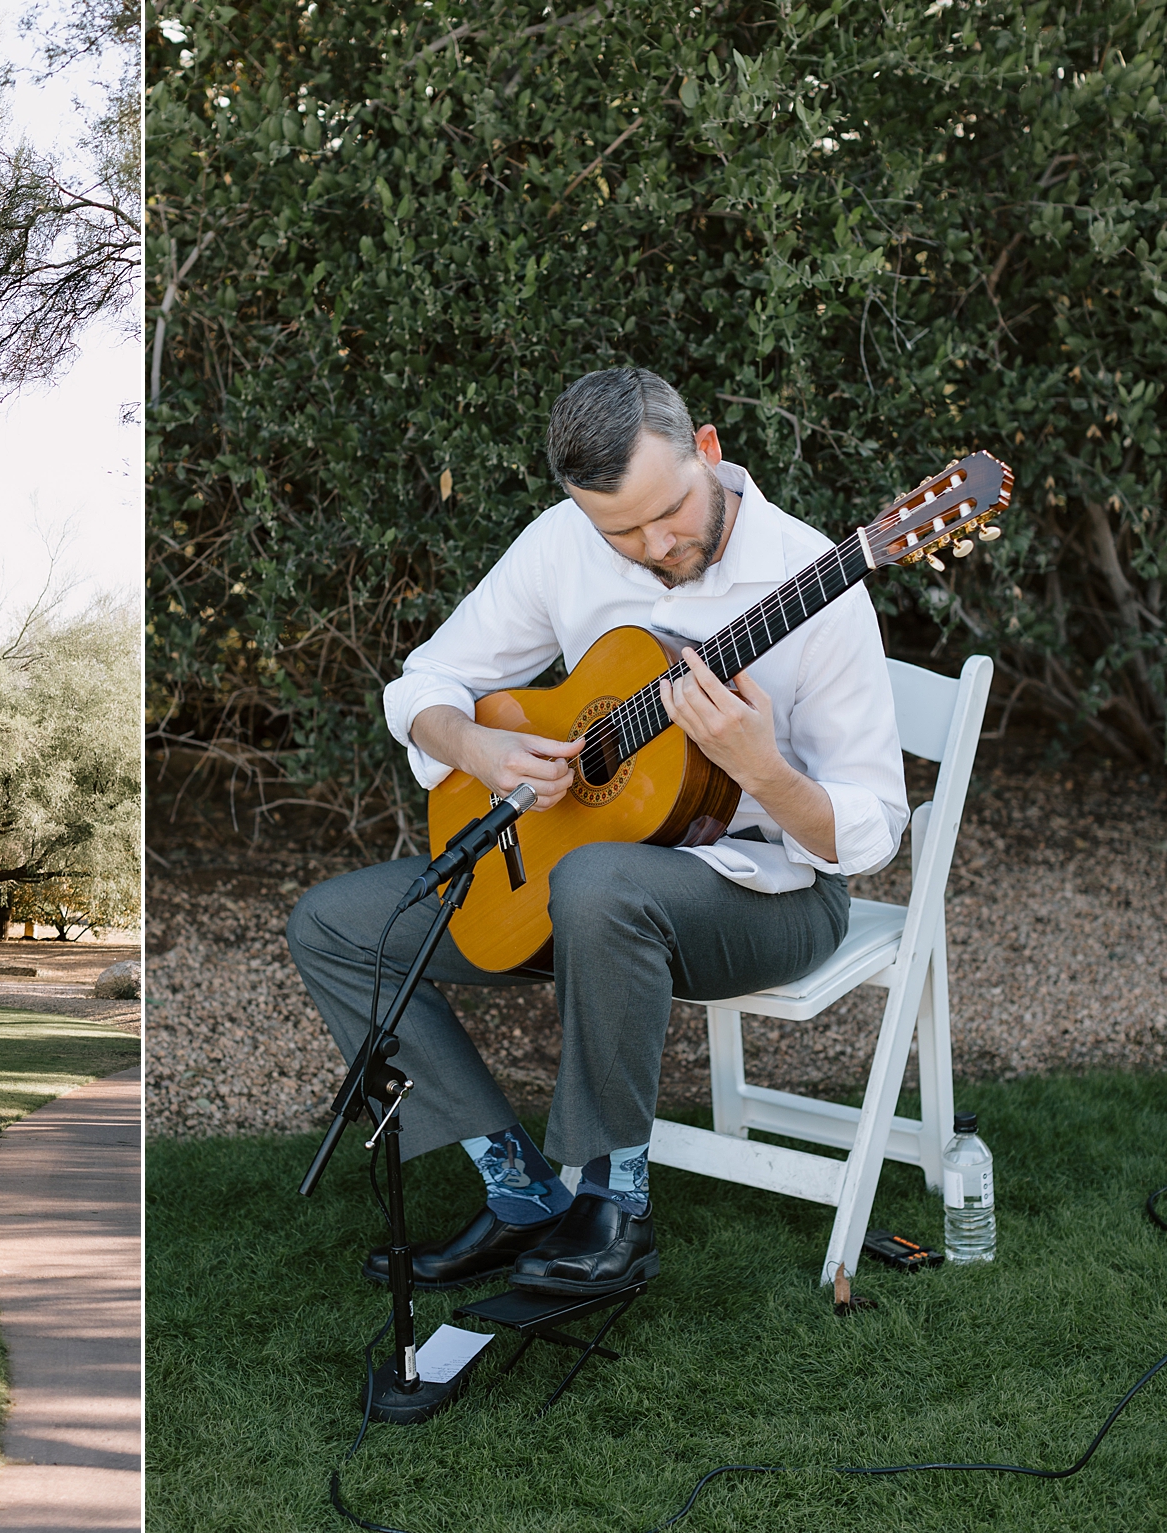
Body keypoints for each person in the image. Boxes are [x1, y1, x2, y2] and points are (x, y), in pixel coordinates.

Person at [286, 368, 909, 1295]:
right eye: (622, 531)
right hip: (582, 889)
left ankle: (616, 1201)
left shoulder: (815, 581)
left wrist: (760, 765)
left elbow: (869, 834)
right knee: (337, 925)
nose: (656, 545)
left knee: (600, 886)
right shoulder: (564, 544)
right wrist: (481, 746)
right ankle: (519, 1191)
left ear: (707, 448)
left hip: (766, 894)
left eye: (669, 512)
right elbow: (422, 683)